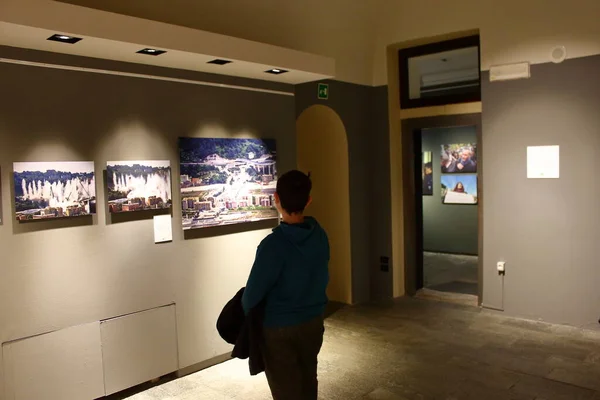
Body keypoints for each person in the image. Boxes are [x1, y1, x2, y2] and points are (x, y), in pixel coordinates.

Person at [242, 170, 330, 400]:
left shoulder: (272, 245)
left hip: (279, 327)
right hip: (312, 321)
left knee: (286, 389)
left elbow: (251, 296)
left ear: (276, 199)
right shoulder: (319, 235)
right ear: (308, 200)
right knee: (309, 379)